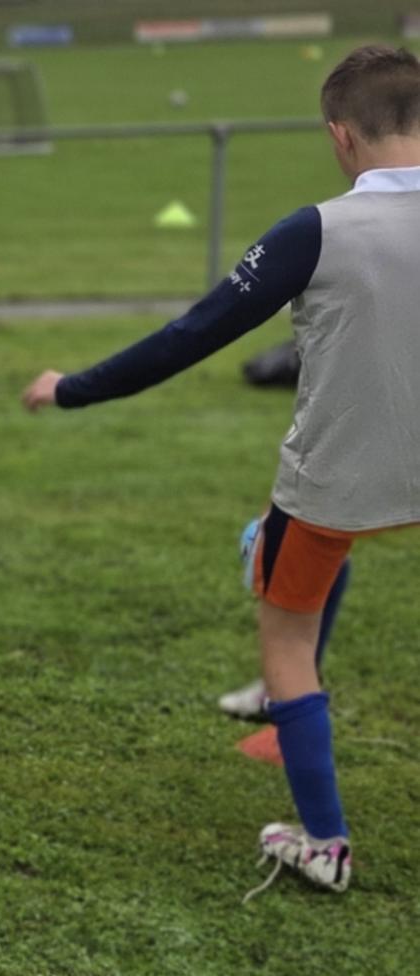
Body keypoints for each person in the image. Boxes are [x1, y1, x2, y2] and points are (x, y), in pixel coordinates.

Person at [23, 43, 420, 893]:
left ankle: (325, 843)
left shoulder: (315, 230)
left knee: (287, 633)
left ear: (340, 135)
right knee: (300, 555)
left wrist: (72, 390)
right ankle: (276, 637)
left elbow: (190, 335)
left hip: (338, 484)